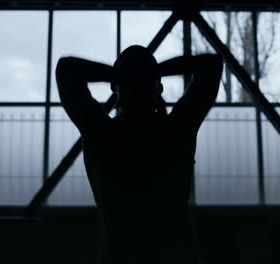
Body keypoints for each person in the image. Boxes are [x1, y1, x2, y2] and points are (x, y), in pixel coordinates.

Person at [55, 45, 223, 264]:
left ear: (115, 88)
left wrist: (123, 75)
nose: (137, 81)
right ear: (159, 88)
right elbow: (211, 64)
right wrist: (149, 72)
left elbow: (66, 69)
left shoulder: (101, 132)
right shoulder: (178, 129)